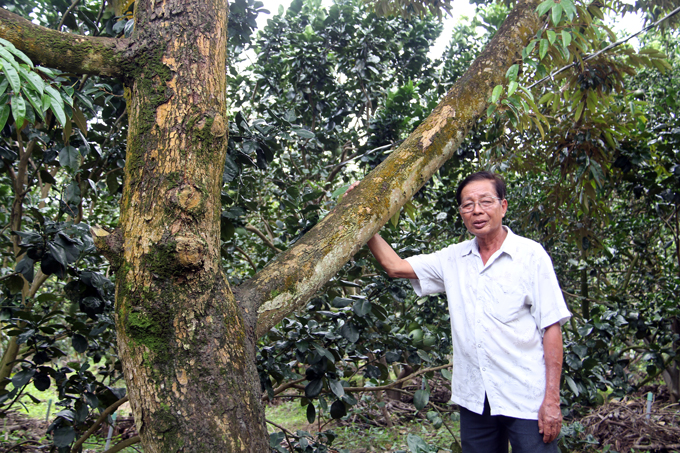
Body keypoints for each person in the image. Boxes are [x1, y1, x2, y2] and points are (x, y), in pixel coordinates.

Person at [348, 171, 571, 453]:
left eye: (485, 202)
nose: (476, 210)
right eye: (468, 204)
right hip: (475, 397)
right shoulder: (453, 258)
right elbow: (395, 266)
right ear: (461, 213)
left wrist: (552, 400)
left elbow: (551, 326)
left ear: (503, 206)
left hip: (527, 396)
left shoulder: (531, 255)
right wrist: (362, 214)